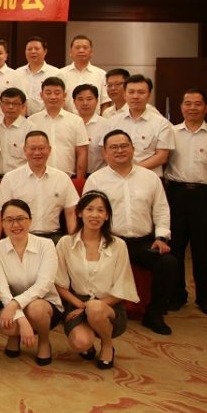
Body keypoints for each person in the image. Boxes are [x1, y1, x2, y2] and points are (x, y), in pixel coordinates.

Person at [83, 129, 176, 335]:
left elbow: (161, 210)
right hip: (109, 241)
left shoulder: (150, 178)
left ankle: (154, 315)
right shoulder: (96, 179)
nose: (119, 150)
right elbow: (88, 213)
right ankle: (94, 312)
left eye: (124, 146)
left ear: (133, 149)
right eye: (114, 147)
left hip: (143, 242)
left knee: (168, 263)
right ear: (105, 153)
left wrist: (161, 237)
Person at [165, 89, 207, 316]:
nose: (192, 108)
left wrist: (205, 182)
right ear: (181, 107)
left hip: (205, 197)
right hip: (176, 194)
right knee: (174, 248)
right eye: (188, 103)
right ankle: (176, 295)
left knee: (205, 249)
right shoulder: (171, 133)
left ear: (206, 108)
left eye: (197, 103)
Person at [55, 191, 139, 370]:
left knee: (95, 309)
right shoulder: (65, 243)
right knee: (80, 343)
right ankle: (88, 340)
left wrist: (90, 307)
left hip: (108, 306)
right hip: (77, 302)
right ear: (79, 213)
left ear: (107, 215)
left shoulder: (118, 245)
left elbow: (122, 288)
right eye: (89, 209)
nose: (95, 215)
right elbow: (59, 284)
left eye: (101, 210)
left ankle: (107, 345)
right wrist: (80, 305)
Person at [0, 199, 63, 365]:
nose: (15, 224)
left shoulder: (46, 245)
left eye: (21, 218)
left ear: (30, 220)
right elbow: (1, 289)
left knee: (36, 309)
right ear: (2, 224)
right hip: (9, 304)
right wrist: (20, 319)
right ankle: (15, 335)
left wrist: (15, 305)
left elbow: (43, 285)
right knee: (8, 325)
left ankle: (44, 341)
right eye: (9, 220)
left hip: (44, 304)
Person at [0, 131, 79, 242]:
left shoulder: (62, 178)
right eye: (32, 148)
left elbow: (71, 213)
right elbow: (3, 215)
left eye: (41, 148)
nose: (37, 153)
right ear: (25, 150)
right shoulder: (10, 178)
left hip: (54, 236)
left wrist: (73, 242)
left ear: (49, 150)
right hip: (20, 236)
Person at [105, 74, 175, 175]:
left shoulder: (161, 123)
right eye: (131, 92)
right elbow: (105, 151)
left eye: (141, 92)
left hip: (149, 177)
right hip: (117, 176)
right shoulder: (112, 121)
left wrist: (131, 170)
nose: (135, 96)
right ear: (124, 94)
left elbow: (162, 156)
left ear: (149, 95)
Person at [27, 76, 88, 179]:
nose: (53, 97)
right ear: (41, 95)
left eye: (57, 93)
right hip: (38, 177)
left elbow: (82, 152)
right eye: (48, 93)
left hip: (68, 177)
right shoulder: (32, 121)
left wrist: (79, 180)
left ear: (64, 95)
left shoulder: (76, 121)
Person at [58, 35, 108, 113]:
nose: (81, 50)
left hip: (94, 119)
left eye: (85, 48)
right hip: (68, 119)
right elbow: (58, 100)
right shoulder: (60, 74)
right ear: (70, 52)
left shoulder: (102, 75)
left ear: (91, 52)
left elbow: (105, 102)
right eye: (77, 48)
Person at [0, 39, 28, 121]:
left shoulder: (15, 75)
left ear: (6, 56)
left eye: (0, 53)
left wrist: (19, 124)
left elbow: (23, 103)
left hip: (6, 123)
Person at [16, 36, 59, 116]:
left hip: (46, 117)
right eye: (29, 49)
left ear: (45, 51)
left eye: (36, 49)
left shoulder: (55, 73)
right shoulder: (17, 73)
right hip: (22, 117)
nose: (33, 51)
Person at [0, 87, 30, 177]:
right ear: (0, 105)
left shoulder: (30, 129)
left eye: (15, 103)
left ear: (23, 106)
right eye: (7, 103)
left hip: (20, 177)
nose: (10, 107)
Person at [73, 84, 107, 175]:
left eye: (89, 99)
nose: (85, 103)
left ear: (97, 101)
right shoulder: (69, 123)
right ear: (74, 102)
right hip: (72, 175)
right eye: (80, 99)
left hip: (98, 175)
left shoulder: (106, 125)